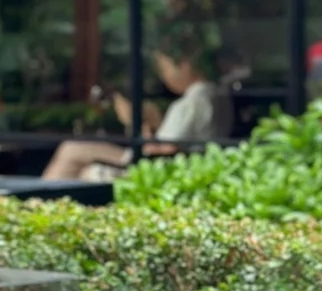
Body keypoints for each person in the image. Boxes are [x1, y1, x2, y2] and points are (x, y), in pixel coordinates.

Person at [42, 30, 230, 182]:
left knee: (72, 151)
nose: (164, 77)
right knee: (77, 159)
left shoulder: (190, 105)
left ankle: (37, 204)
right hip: (173, 168)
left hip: (152, 171)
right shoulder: (216, 97)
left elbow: (156, 155)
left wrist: (136, 121)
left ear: (184, 65)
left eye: (165, 69)